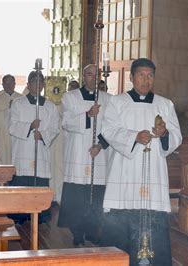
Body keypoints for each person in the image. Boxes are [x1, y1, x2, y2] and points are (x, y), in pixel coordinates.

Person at [100, 58, 182, 266]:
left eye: (150, 76)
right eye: (141, 75)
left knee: (153, 220)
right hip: (124, 171)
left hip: (153, 171)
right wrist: (133, 137)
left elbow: (176, 136)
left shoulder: (165, 104)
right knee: (122, 220)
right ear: (131, 77)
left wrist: (164, 134)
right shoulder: (117, 102)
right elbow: (108, 131)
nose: (146, 80)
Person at [58, 64, 111, 246]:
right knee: (78, 195)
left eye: (96, 75)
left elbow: (113, 127)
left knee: (96, 195)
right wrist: (87, 115)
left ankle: (93, 231)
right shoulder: (70, 97)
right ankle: (77, 233)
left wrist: (101, 144)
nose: (93, 78)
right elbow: (66, 122)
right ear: (83, 76)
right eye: (89, 74)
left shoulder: (108, 99)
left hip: (100, 153)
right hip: (79, 153)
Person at [8, 70, 60, 224]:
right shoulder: (18, 104)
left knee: (39, 183)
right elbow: (12, 126)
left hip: (40, 152)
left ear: (44, 85)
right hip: (23, 151)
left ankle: (41, 216)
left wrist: (43, 134)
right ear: (28, 85)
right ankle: (20, 216)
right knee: (22, 184)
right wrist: (29, 126)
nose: (37, 86)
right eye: (33, 82)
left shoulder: (50, 106)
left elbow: (54, 128)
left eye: (40, 83)